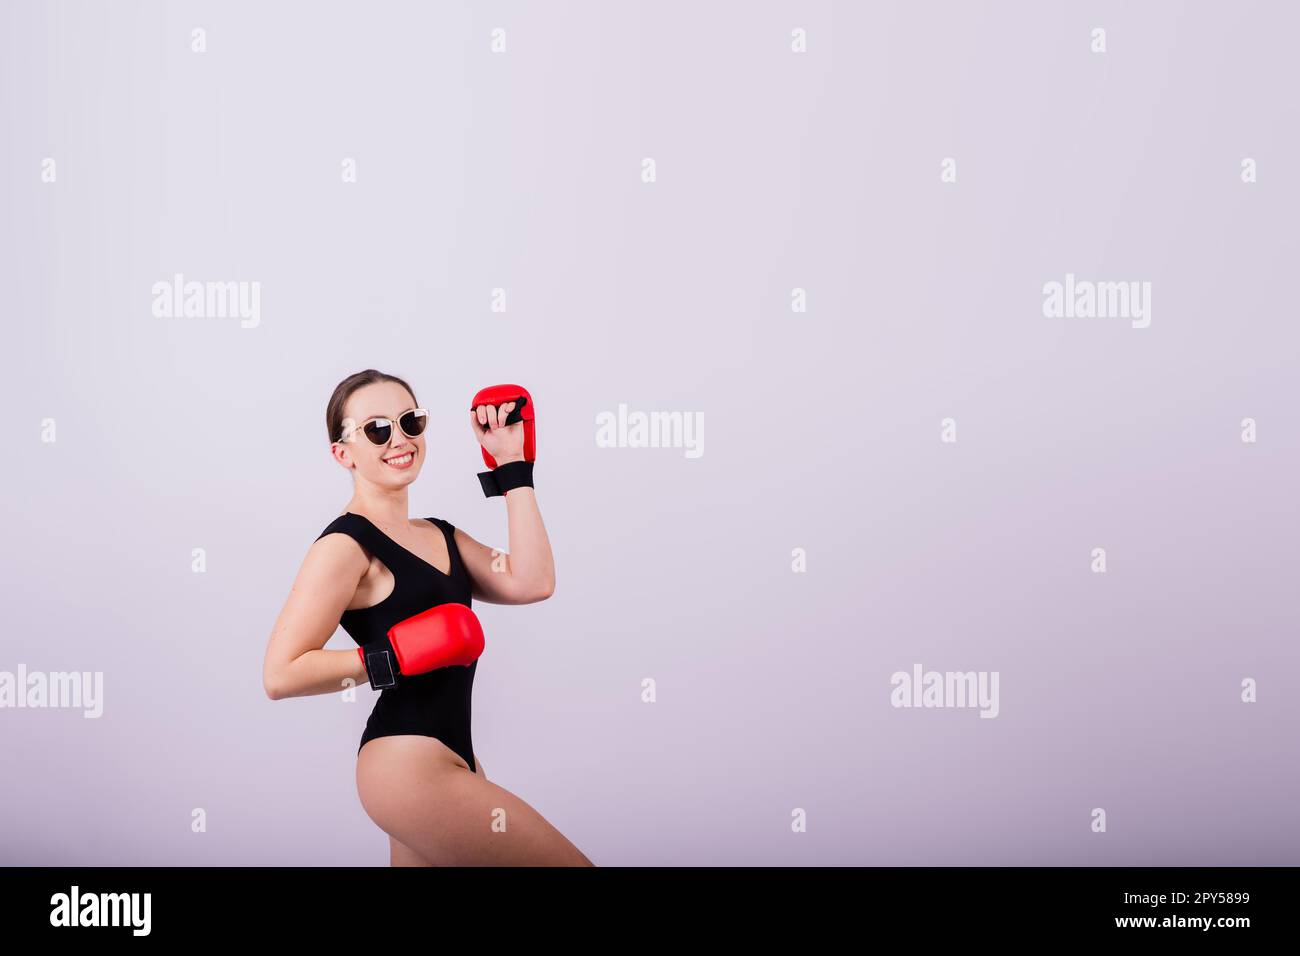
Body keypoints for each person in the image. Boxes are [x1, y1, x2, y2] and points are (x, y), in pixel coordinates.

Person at [262, 369, 593, 866]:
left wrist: (513, 467)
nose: (399, 439)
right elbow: (280, 673)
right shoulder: (344, 546)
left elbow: (533, 581)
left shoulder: (441, 534)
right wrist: (390, 656)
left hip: (457, 757)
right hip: (404, 768)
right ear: (342, 453)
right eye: (377, 429)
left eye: (410, 422)